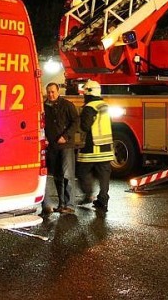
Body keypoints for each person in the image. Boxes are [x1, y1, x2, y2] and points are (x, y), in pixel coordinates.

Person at [76, 79, 114, 213]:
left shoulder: (89, 107)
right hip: (106, 148)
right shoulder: (104, 105)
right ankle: (103, 201)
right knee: (104, 176)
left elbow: (85, 126)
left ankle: (88, 195)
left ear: (87, 93)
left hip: (92, 147)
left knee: (82, 172)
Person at [42, 81, 80, 215]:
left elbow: (76, 121)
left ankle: (70, 205)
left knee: (67, 175)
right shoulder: (44, 107)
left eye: (53, 92)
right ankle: (61, 204)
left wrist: (66, 136)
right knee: (58, 176)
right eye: (49, 92)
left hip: (66, 145)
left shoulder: (67, 105)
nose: (51, 94)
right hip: (52, 146)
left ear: (58, 92)